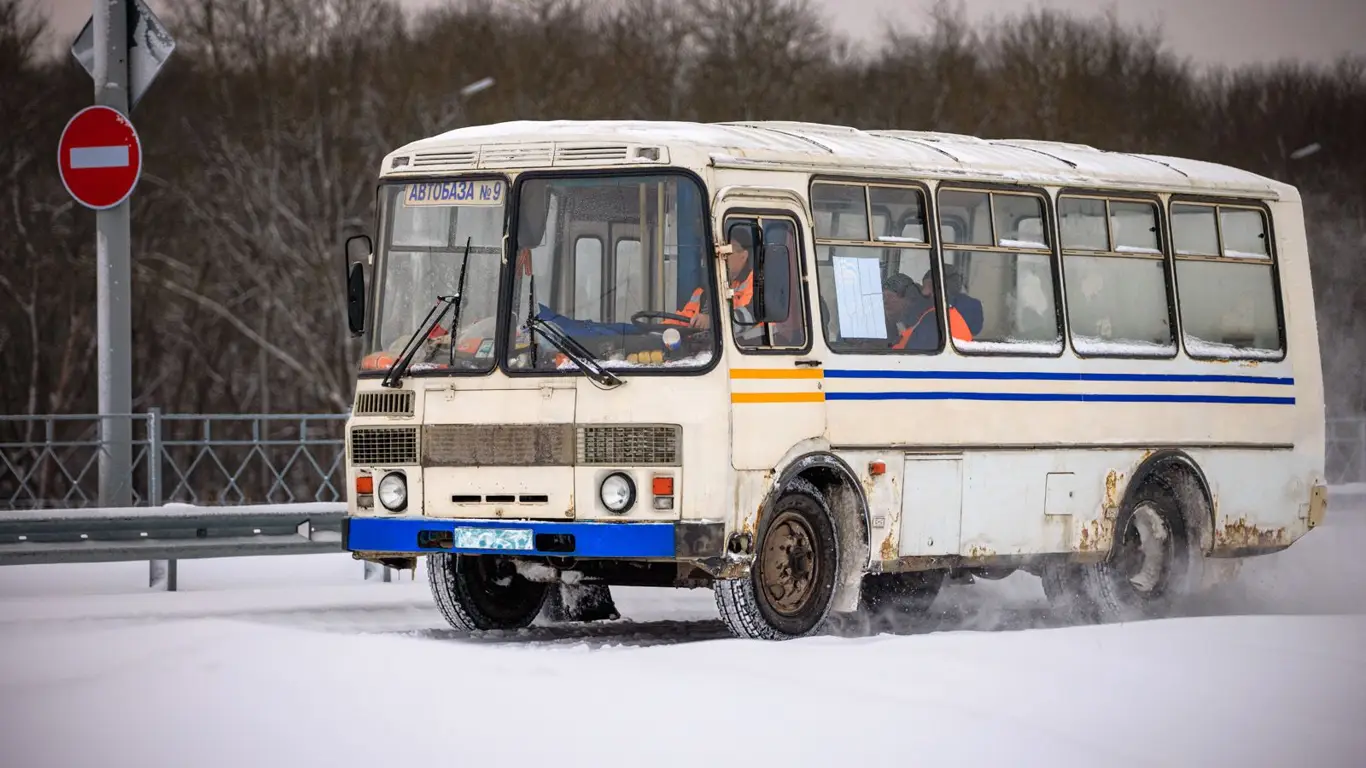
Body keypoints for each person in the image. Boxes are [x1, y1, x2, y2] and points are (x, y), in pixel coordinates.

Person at [886, 270, 974, 350]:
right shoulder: (944, 315)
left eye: (931, 287)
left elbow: (907, 356)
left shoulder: (933, 321)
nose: (924, 292)